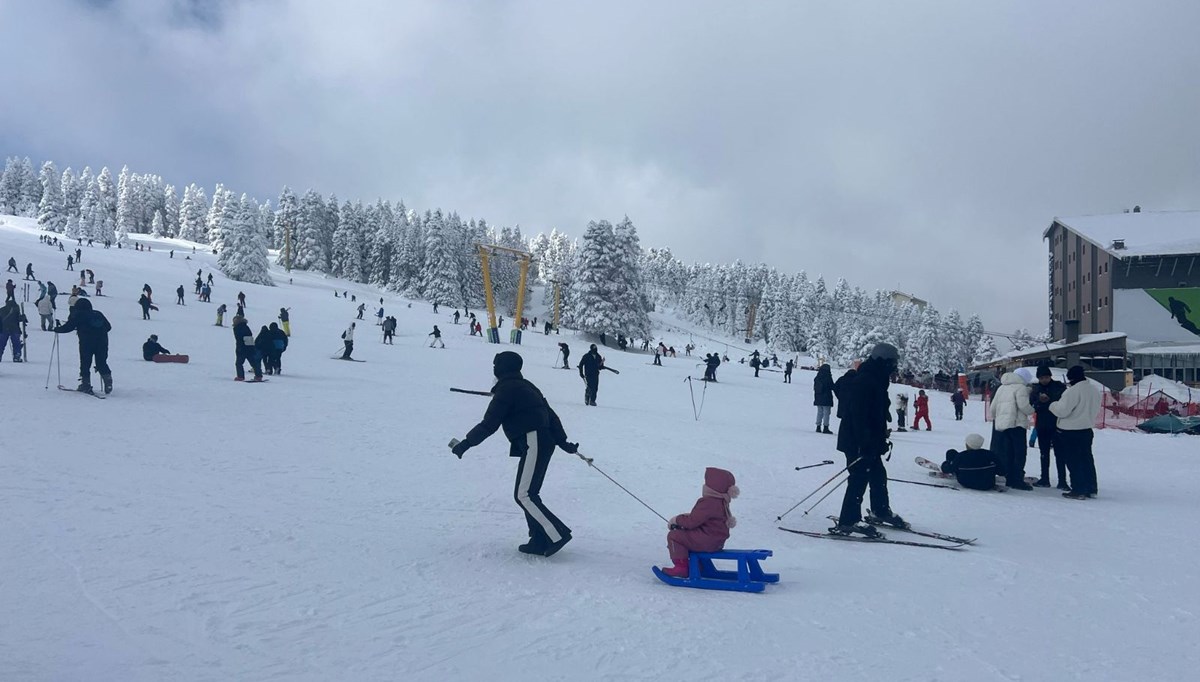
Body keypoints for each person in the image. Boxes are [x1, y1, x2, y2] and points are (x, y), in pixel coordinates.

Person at [450, 351, 578, 557]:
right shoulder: (526, 386)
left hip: (534, 440)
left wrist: (465, 444)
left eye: (495, 366)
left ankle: (556, 534)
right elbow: (551, 415)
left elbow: (489, 424)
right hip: (540, 441)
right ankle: (538, 539)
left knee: (524, 494)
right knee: (527, 493)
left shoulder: (507, 390)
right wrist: (563, 442)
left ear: (500, 369)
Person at [832, 343, 905, 537]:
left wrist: (879, 438)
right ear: (883, 361)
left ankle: (880, 510)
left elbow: (876, 412)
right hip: (857, 440)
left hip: (869, 440)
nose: (894, 366)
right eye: (892, 362)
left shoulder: (878, 378)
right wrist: (865, 443)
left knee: (878, 474)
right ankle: (849, 520)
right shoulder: (866, 380)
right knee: (858, 477)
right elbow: (859, 415)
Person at [661, 467, 739, 578]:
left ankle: (682, 568)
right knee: (687, 535)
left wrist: (677, 520)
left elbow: (692, 522)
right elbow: (703, 519)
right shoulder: (721, 501)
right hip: (716, 542)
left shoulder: (708, 502)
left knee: (674, 536)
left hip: (706, 541)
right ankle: (697, 565)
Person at [1049, 366, 1101, 500]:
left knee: (1073, 461)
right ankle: (1091, 488)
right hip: (1087, 429)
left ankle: (1078, 489)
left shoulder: (1072, 391)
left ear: (1071, 378)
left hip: (1070, 431)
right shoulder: (1094, 390)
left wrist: (1052, 404)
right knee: (1087, 459)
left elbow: (1062, 411)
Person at [987, 371, 1035, 490]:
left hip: (1003, 425)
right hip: (1017, 424)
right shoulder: (1021, 388)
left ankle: (1008, 476)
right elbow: (1024, 406)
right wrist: (1033, 409)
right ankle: (1016, 479)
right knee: (1019, 453)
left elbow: (992, 408)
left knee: (1008, 452)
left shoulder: (1002, 388)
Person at [53, 298, 112, 394]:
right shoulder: (98, 314)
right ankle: (108, 381)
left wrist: (57, 329)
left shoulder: (79, 315)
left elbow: (69, 327)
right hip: (102, 342)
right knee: (101, 362)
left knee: (85, 363)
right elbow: (109, 327)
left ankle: (86, 384)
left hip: (86, 343)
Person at [1029, 365, 1069, 489]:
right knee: (1044, 453)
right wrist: (1040, 402)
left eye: (1046, 377)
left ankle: (1062, 480)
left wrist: (1047, 401)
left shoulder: (1059, 387)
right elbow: (1032, 405)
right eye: (1042, 378)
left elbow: (1063, 404)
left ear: (1050, 376)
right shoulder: (1035, 389)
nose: (1044, 380)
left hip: (1057, 424)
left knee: (1060, 453)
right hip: (1042, 425)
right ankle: (1044, 478)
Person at [231, 315, 263, 381]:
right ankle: (259, 376)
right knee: (253, 362)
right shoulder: (246, 326)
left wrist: (239, 348)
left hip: (242, 347)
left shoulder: (237, 328)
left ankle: (240, 376)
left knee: (239, 363)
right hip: (250, 346)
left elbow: (239, 338)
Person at [813, 364, 835, 434]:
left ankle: (818, 427)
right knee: (826, 413)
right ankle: (826, 427)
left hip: (818, 397)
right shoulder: (828, 377)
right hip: (826, 398)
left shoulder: (817, 377)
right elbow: (832, 386)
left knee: (819, 412)